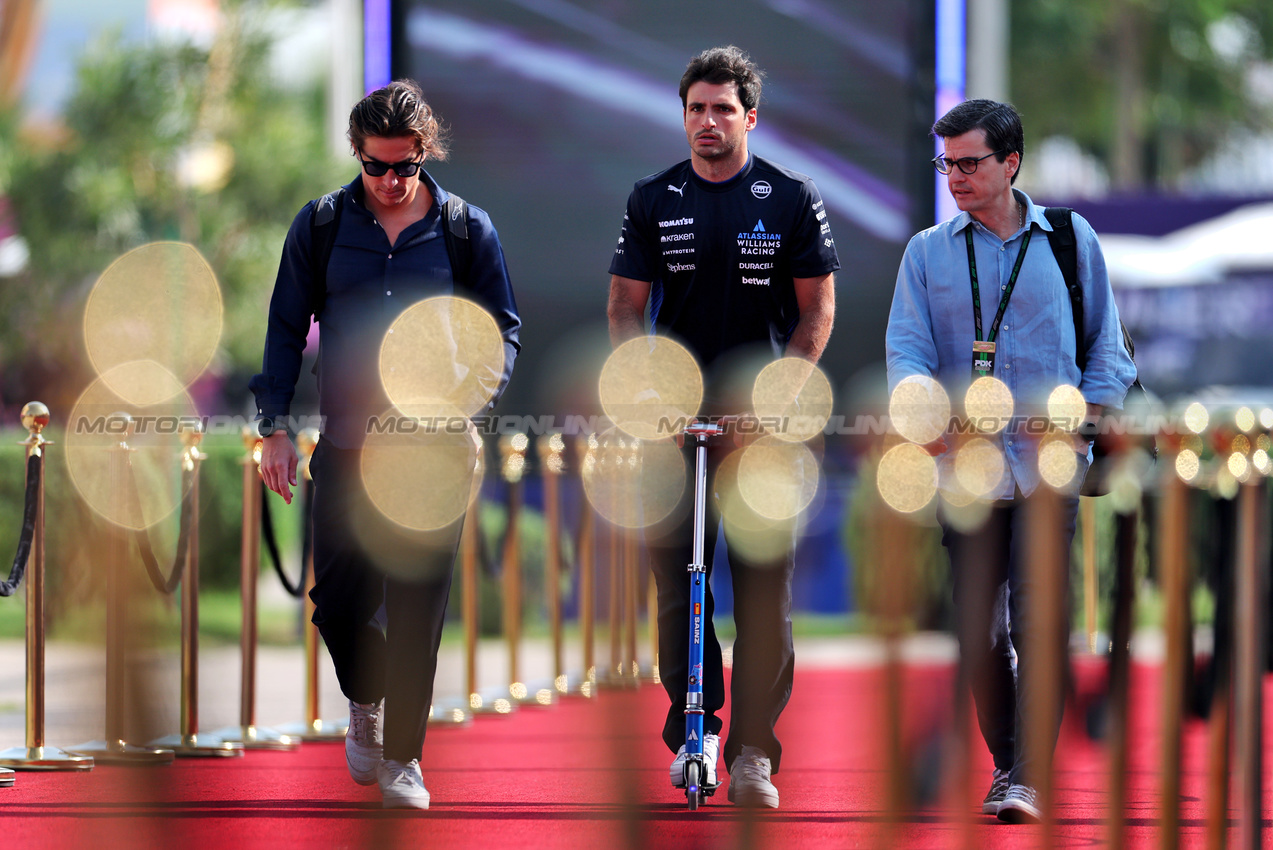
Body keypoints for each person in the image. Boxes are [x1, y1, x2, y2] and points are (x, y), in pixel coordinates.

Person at [250, 80, 520, 809]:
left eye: (405, 166)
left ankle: (404, 758)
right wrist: (273, 426)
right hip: (347, 445)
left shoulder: (467, 230)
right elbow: (282, 328)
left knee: (417, 607)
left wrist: (471, 408)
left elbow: (500, 333)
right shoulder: (321, 226)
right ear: (357, 155)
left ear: (424, 154)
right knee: (337, 602)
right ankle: (362, 698)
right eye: (376, 166)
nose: (391, 181)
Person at [885, 99, 1135, 823]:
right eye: (946, 164)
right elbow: (907, 350)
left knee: (1038, 621)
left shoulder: (1066, 236)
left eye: (969, 162)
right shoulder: (926, 251)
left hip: (1048, 463)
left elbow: (1106, 348)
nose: (955, 177)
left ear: (1010, 163)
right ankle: (1008, 763)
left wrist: (1085, 418)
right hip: (963, 467)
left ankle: (1027, 776)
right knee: (978, 630)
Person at [607, 45, 838, 809]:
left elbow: (815, 313)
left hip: (763, 431)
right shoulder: (652, 197)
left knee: (765, 595)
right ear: (683, 116)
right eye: (695, 109)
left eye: (722, 110)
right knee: (680, 589)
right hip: (676, 433)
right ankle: (696, 728)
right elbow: (622, 308)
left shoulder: (790, 197)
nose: (708, 123)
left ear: (750, 118)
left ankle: (752, 756)